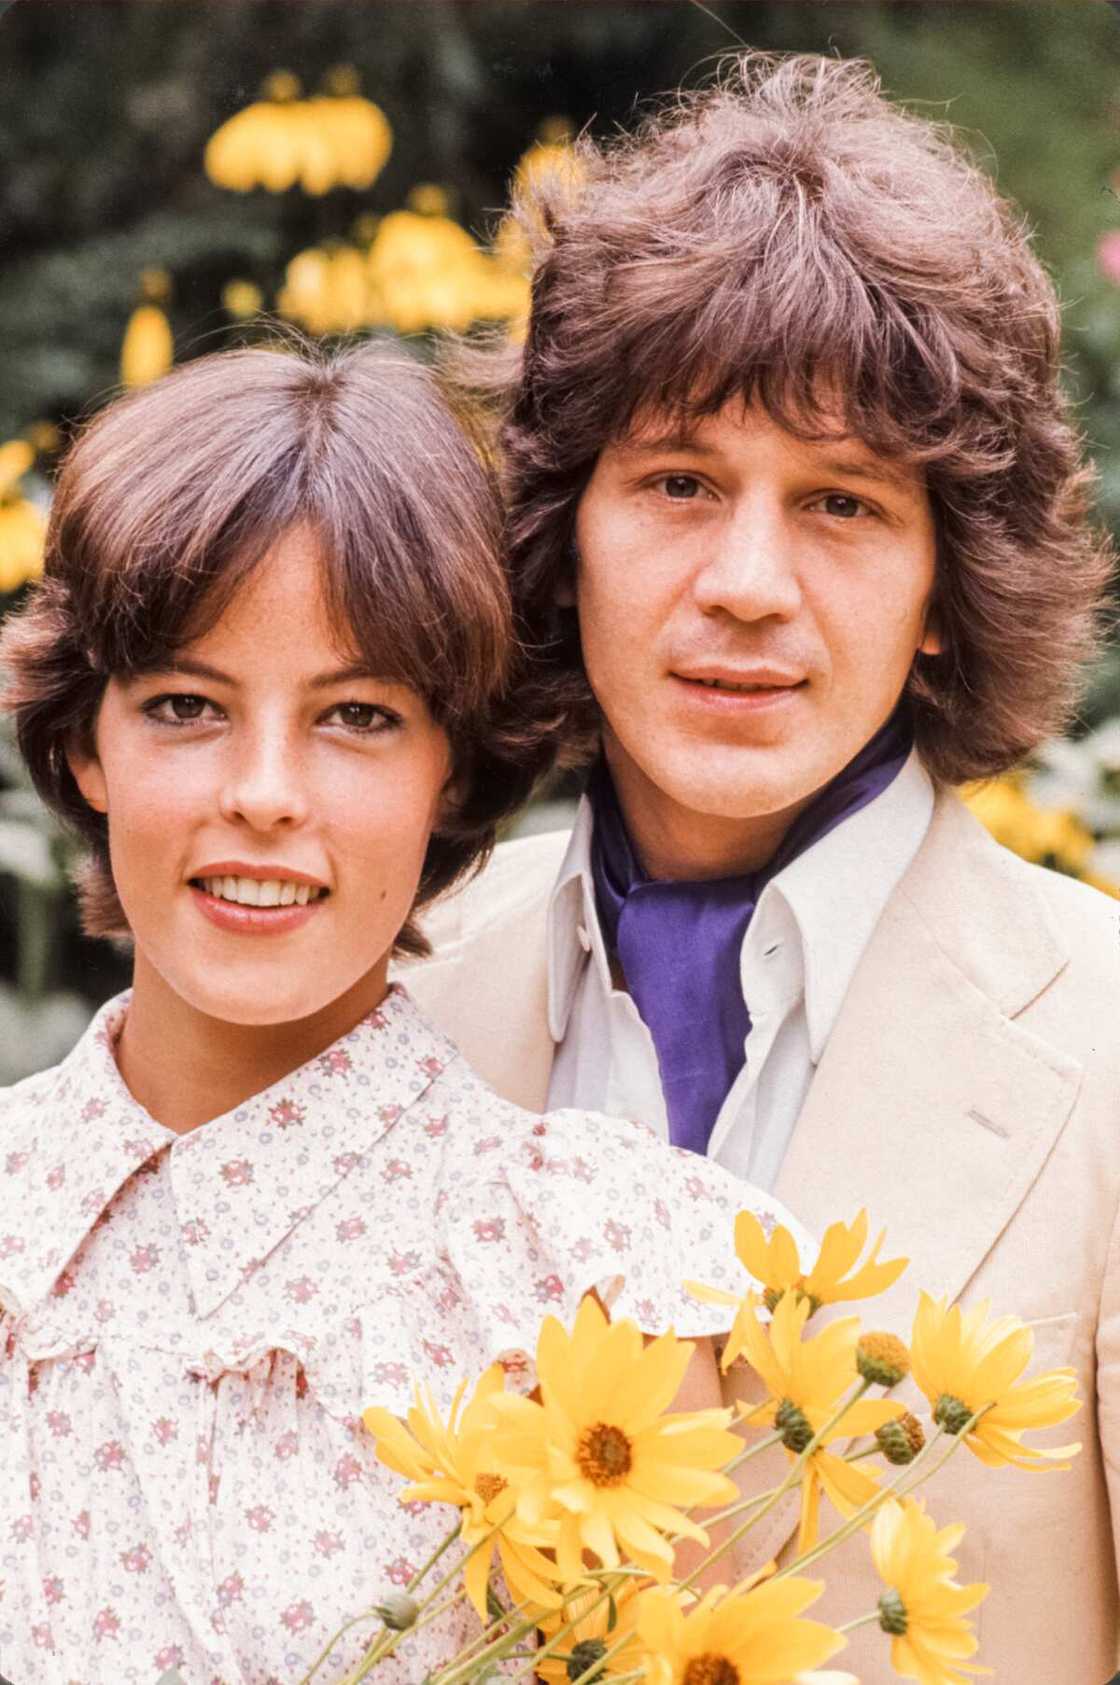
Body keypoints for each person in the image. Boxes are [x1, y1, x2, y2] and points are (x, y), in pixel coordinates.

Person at [402, 52, 1120, 1679]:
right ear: (560, 527)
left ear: (949, 581)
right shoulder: (403, 990)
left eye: (845, 505)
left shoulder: (1108, 1047)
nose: (746, 583)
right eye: (677, 482)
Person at [0, 343, 805, 1684]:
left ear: (452, 765)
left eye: (357, 715)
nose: (263, 791)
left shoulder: (596, 1278)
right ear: (89, 741)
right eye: (188, 705)